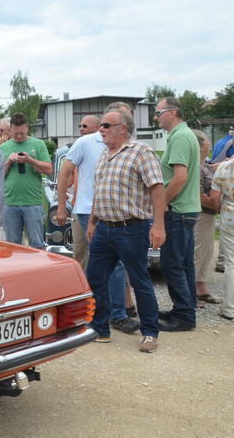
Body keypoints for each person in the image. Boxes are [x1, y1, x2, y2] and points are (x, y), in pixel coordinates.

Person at [85, 108, 165, 352]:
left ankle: (150, 332)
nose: (101, 129)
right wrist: (92, 222)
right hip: (104, 230)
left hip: (131, 229)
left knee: (140, 281)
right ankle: (100, 329)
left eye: (107, 125)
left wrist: (159, 225)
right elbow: (100, 193)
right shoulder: (104, 155)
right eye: (101, 125)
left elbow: (157, 188)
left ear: (123, 129)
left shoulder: (141, 152)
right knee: (95, 279)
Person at [56, 106, 139, 334]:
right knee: (108, 264)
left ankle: (102, 312)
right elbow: (65, 173)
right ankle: (113, 314)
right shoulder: (86, 142)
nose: (105, 128)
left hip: (116, 213)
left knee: (103, 264)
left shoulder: (129, 145)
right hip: (87, 211)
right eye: (105, 123)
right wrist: (62, 206)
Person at [154, 97, 201, 332]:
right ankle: (185, 308)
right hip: (187, 209)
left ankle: (184, 315)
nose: (156, 117)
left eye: (158, 112)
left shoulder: (180, 137)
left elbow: (179, 177)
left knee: (172, 264)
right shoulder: (185, 135)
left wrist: (162, 202)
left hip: (179, 210)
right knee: (184, 264)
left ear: (172, 113)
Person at [0, 112, 52, 248]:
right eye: (15, 133)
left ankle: (38, 269)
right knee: (13, 245)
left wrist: (30, 160)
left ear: (27, 128)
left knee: (37, 244)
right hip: (10, 203)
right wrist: (9, 161)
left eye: (21, 133)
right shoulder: (3, 148)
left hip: (32, 202)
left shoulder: (38, 144)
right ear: (10, 130)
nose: (18, 136)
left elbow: (48, 170)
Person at [192, 129, 220, 304]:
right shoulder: (196, 166)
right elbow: (199, 195)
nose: (209, 144)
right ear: (200, 145)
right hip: (201, 215)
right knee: (197, 252)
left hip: (209, 216)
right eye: (206, 141)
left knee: (207, 252)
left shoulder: (205, 164)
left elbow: (214, 168)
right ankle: (192, 291)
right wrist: (219, 205)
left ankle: (201, 287)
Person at [210, 157, 234, 321]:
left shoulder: (224, 167)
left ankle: (230, 308)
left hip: (230, 215)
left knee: (231, 262)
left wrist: (220, 209)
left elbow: (214, 197)